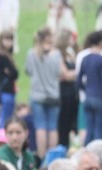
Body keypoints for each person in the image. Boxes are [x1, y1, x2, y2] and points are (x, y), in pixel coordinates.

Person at [25, 27, 62, 160]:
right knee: (52, 127)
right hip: (53, 94)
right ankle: (51, 156)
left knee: (40, 126)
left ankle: (41, 155)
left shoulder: (32, 53)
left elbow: (28, 70)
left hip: (37, 94)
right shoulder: (56, 54)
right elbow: (59, 72)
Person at [78, 30, 102, 144]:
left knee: (89, 130)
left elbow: (78, 80)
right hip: (101, 98)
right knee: (99, 131)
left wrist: (86, 90)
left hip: (88, 97)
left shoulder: (85, 58)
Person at [0, 30, 19, 124]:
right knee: (5, 118)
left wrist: (10, 72)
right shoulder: (1, 56)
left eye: (10, 40)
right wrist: (10, 72)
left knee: (7, 116)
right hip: (6, 90)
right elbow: (14, 73)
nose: (8, 43)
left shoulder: (8, 55)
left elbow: (14, 73)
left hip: (8, 90)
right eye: (6, 40)